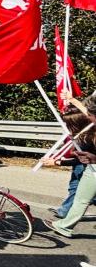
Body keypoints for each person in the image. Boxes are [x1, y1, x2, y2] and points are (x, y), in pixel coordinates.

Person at [44, 96, 96, 238]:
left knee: (81, 199)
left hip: (93, 171)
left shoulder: (87, 137)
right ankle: (64, 223)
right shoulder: (89, 133)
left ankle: (64, 225)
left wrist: (57, 163)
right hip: (92, 168)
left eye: (90, 115)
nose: (88, 116)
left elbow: (79, 160)